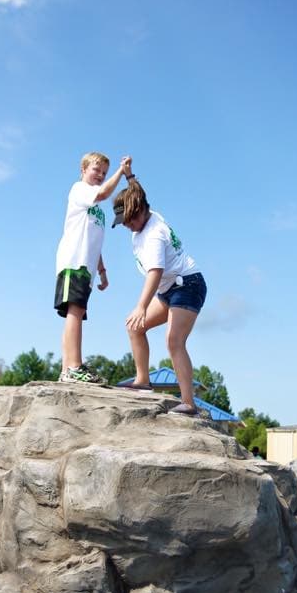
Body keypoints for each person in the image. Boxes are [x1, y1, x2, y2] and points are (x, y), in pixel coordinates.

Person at [112, 179, 207, 415]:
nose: (127, 225)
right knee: (134, 327)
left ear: (141, 210)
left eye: (130, 220)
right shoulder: (148, 214)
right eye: (124, 222)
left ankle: (189, 403)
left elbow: (155, 273)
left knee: (174, 340)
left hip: (188, 285)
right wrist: (130, 177)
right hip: (170, 288)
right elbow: (138, 193)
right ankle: (142, 381)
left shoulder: (154, 234)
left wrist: (141, 306)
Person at [55, 151, 133, 383]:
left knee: (75, 313)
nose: (100, 175)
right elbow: (103, 193)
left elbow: (94, 241)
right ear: (83, 170)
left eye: (104, 172)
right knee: (75, 311)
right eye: (96, 170)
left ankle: (66, 370)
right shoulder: (80, 189)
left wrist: (102, 271)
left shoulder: (97, 209)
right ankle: (74, 366)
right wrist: (121, 172)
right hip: (74, 260)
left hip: (86, 267)